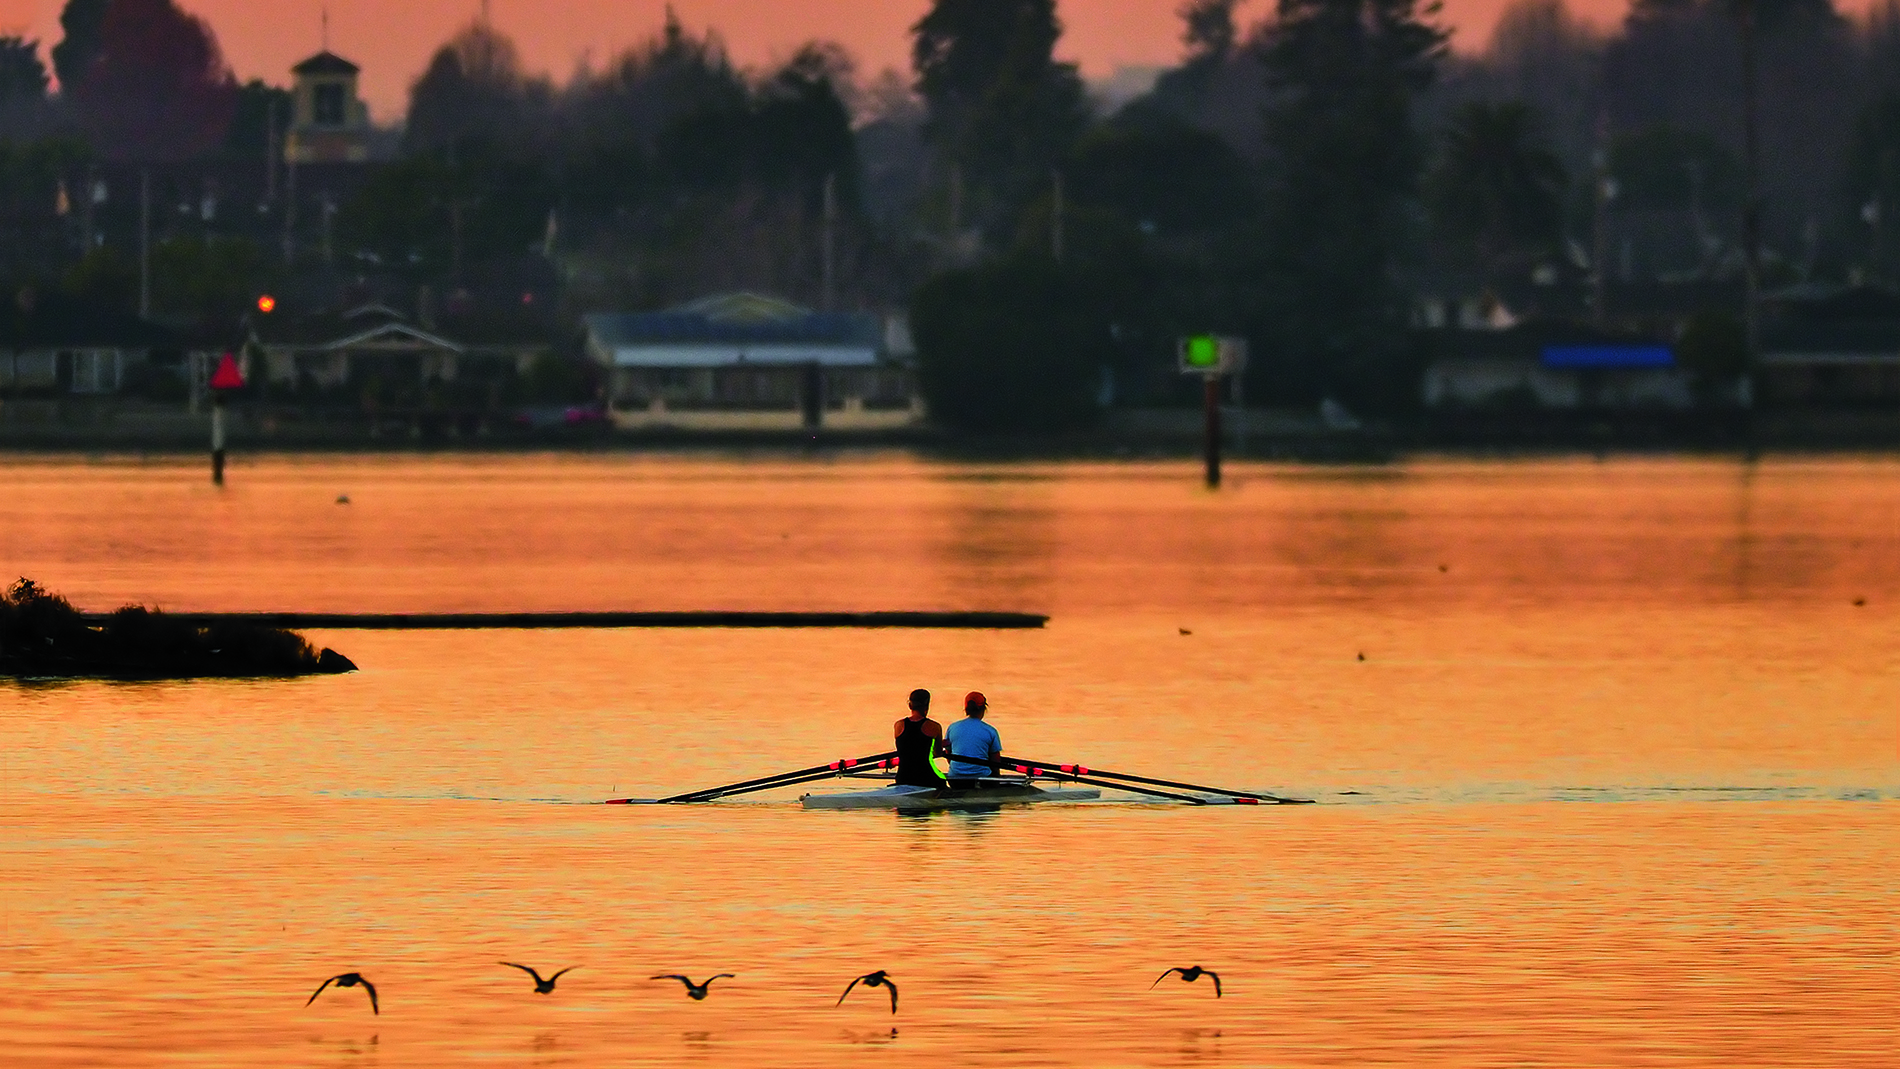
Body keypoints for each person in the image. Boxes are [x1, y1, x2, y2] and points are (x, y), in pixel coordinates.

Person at [943, 691, 1002, 790]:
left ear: (966, 709)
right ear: (984, 709)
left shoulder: (953, 727)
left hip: (955, 779)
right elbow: (995, 761)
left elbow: (949, 754)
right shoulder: (990, 731)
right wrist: (997, 781)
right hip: (981, 779)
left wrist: (961, 769)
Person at [892, 688, 946, 788]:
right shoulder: (934, 726)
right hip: (926, 778)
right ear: (927, 706)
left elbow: (909, 747)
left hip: (902, 778)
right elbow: (937, 753)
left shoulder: (898, 725)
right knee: (942, 778)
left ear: (910, 705)